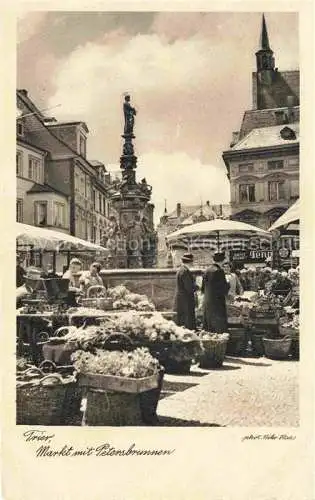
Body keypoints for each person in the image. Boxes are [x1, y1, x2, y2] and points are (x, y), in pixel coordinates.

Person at [201, 252, 230, 333]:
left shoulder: (206, 270)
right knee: (218, 328)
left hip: (207, 302)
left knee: (209, 328)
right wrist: (228, 284)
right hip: (217, 303)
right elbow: (223, 289)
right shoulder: (219, 271)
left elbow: (203, 288)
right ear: (223, 260)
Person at [173, 253, 197, 330]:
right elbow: (189, 287)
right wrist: (197, 287)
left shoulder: (181, 270)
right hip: (185, 299)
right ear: (190, 262)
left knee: (182, 318)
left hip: (182, 299)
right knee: (187, 320)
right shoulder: (185, 271)